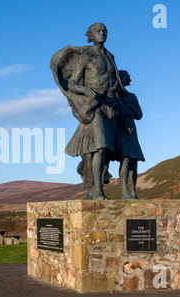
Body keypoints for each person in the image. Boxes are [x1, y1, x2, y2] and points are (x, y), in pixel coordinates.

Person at [54, 23, 123, 199]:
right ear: (90, 36)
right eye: (98, 31)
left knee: (108, 150)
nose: (102, 33)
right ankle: (97, 190)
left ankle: (93, 186)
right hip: (94, 106)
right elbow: (72, 84)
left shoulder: (110, 57)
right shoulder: (86, 57)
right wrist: (85, 90)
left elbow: (114, 80)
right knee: (99, 148)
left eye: (105, 31)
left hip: (111, 105)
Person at [117, 70, 145, 199]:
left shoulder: (132, 96)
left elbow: (139, 115)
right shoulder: (116, 95)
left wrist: (131, 108)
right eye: (126, 76)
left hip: (132, 128)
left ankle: (133, 191)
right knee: (125, 159)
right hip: (120, 128)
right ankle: (124, 192)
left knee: (134, 161)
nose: (129, 78)